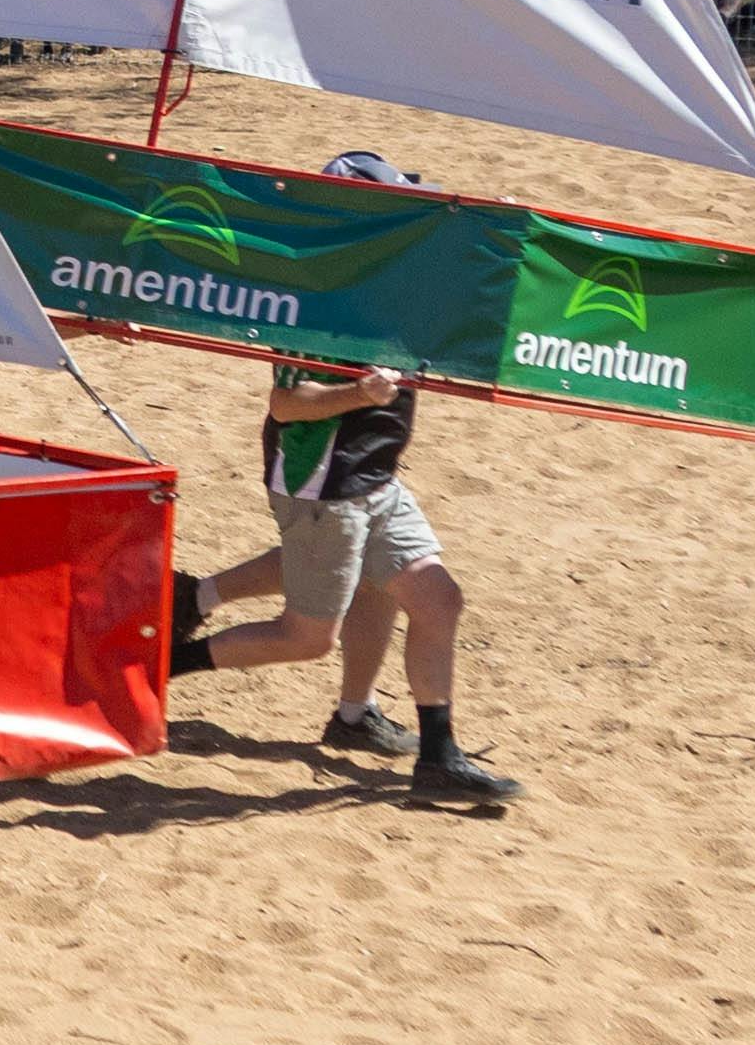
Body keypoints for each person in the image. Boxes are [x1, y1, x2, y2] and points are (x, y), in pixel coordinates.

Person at [170, 157, 521, 809]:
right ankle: (163, 666)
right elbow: (286, 404)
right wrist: (359, 392)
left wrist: (490, 223)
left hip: (376, 479)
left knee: (435, 598)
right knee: (307, 637)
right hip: (323, 486)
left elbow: (462, 258)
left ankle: (423, 749)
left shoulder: (393, 274)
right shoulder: (318, 293)